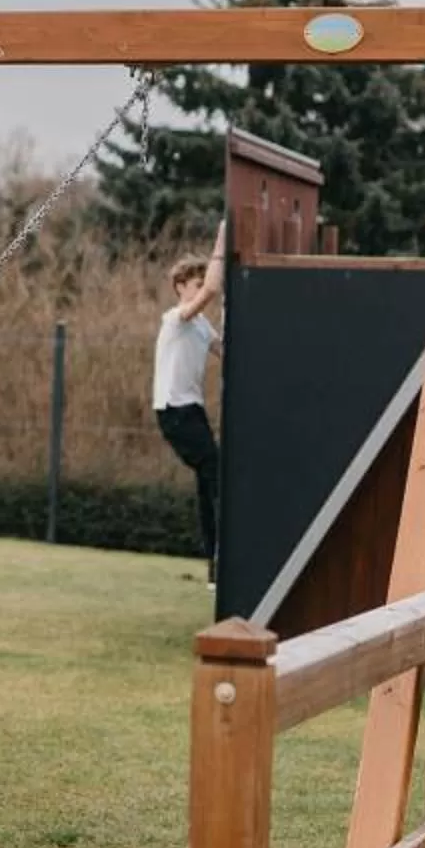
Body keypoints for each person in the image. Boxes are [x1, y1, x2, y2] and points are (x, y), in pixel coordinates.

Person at [155, 219, 228, 580]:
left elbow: (224, 351)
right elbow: (211, 291)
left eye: (200, 282)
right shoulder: (176, 319)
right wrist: (221, 245)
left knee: (209, 482)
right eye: (194, 285)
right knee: (215, 473)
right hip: (174, 413)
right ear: (180, 287)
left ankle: (214, 563)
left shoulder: (201, 327)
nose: (200, 290)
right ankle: (217, 559)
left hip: (193, 411)